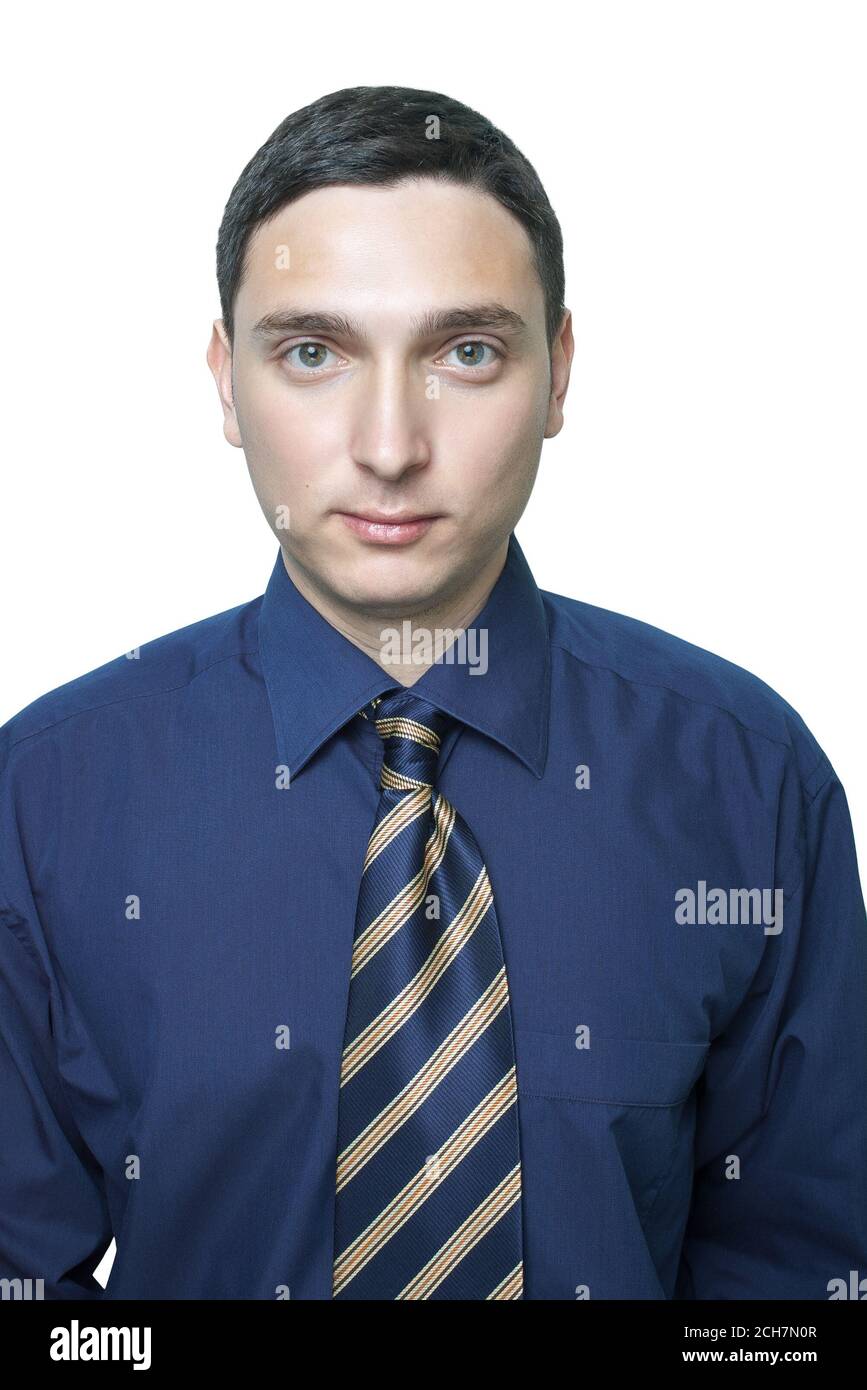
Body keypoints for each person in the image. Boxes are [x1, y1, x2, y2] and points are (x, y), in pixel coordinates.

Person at [1, 85, 864, 1302]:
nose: (392, 442)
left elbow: (800, 1276)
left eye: (467, 352)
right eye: (313, 352)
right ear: (224, 379)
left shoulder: (748, 779)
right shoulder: (45, 797)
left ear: (559, 373)